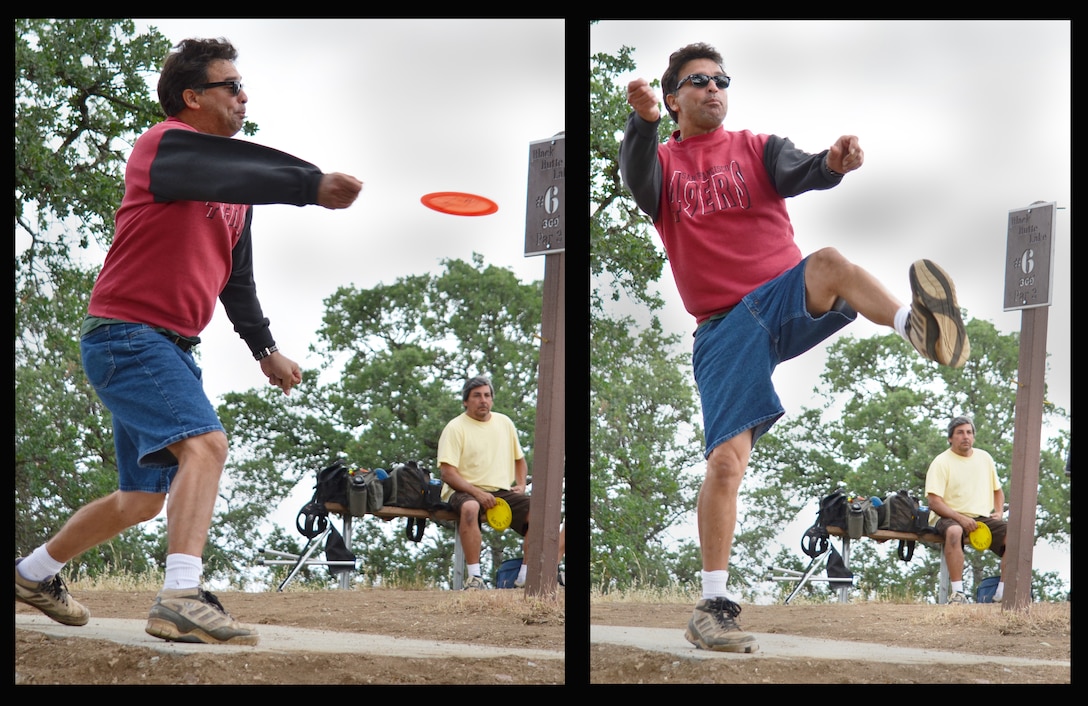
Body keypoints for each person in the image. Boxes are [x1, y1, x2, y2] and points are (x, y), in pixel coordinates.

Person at [618, 42, 970, 653]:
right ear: (674, 97)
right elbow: (637, 176)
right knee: (727, 463)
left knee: (829, 261)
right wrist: (643, 121)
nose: (713, 89)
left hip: (781, 300)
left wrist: (832, 163)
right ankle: (713, 605)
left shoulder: (754, 147)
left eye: (721, 80)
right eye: (698, 82)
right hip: (726, 328)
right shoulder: (666, 165)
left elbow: (802, 170)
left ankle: (914, 325)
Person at [14, 37, 363, 645]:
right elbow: (239, 166)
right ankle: (180, 596)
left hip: (168, 348)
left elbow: (238, 278)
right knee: (206, 446)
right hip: (126, 335)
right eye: (231, 86)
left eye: (243, 86)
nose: (243, 96)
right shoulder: (161, 147)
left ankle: (32, 574)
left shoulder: (234, 192)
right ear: (191, 97)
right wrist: (310, 184)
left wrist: (264, 349)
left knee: (140, 500)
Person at [437, 376, 531, 589]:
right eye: (477, 396)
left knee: (540, 513)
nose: (483, 400)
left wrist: (522, 484)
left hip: (501, 491)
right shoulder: (455, 428)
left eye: (487, 395)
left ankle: (526, 576)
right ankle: (475, 578)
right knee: (470, 507)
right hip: (463, 489)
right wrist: (477, 494)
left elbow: (520, 460)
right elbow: (448, 474)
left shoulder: (504, 423)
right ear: (465, 401)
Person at [925, 416, 1007, 604]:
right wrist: (960, 519)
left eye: (969, 432)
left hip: (981, 517)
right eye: (960, 432)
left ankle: (1002, 593)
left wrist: (999, 511)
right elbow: (934, 503)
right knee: (954, 531)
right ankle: (958, 594)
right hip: (947, 515)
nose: (965, 437)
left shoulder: (985, 458)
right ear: (950, 438)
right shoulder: (941, 462)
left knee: (1015, 536)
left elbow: (998, 491)